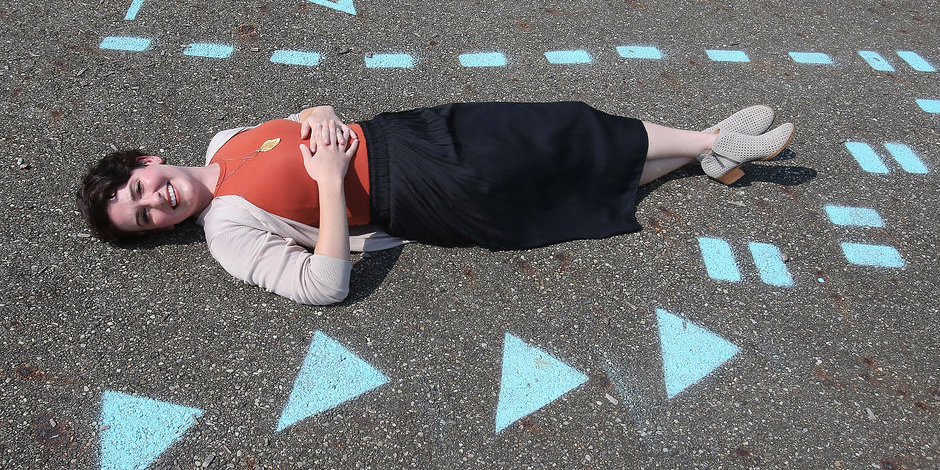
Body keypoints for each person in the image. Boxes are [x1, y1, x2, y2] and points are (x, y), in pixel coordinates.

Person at [77, 101, 794, 305]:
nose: (155, 202)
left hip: (408, 130)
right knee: (548, 171)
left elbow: (311, 122)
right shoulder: (228, 230)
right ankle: (715, 143)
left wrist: (319, 108)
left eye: (141, 189)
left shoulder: (225, 139)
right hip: (416, 189)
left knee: (558, 125)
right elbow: (321, 286)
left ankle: (708, 145)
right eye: (145, 218)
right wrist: (330, 184)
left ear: (147, 161)